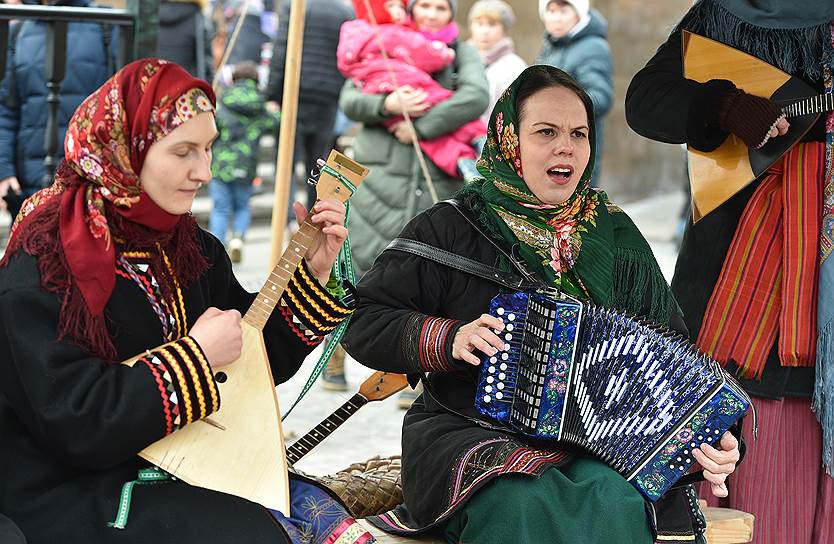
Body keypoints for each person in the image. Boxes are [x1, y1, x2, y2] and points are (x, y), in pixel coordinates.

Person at [343, 65, 741, 543]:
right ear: (509, 138)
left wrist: (711, 439)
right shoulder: (451, 226)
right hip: (466, 432)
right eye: (545, 132)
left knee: (617, 498)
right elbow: (364, 321)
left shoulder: (614, 235)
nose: (565, 147)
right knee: (518, 502)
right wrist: (451, 337)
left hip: (595, 450)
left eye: (579, 133)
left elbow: (675, 368)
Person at [0, 58, 372, 544]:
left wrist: (314, 270)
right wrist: (194, 359)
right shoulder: (47, 260)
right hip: (75, 486)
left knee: (332, 528)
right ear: (125, 151)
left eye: (209, 147)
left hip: (189, 462)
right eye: (183, 151)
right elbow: (72, 417)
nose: (204, 170)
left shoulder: (188, 246)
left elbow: (255, 360)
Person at [625, 1, 834, 542]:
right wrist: (722, 105)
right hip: (740, 285)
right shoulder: (726, 13)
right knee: (749, 472)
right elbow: (645, 102)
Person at [337, 0, 486, 180]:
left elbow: (476, 97)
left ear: (451, 14)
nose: (431, 15)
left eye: (441, 8)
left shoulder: (461, 51)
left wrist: (419, 129)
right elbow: (348, 100)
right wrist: (386, 104)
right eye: (424, 6)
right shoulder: (382, 38)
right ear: (411, 8)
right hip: (380, 176)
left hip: (437, 182)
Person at [0, 0, 115, 226]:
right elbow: (6, 109)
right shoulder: (19, 30)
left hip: (91, 184)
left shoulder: (106, 24)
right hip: (30, 186)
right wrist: (4, 171)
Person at [266, 0, 353, 212]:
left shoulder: (295, 6)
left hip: (296, 93)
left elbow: (281, 51)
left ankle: (287, 217)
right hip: (328, 96)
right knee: (318, 165)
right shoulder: (345, 11)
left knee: (286, 163)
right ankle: (313, 220)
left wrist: (272, 94)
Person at [209, 60, 280, 263]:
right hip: (246, 168)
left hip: (221, 167)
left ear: (233, 80)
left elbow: (211, 130)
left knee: (221, 208)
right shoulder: (260, 108)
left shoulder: (223, 104)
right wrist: (274, 109)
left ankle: (217, 247)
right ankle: (238, 238)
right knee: (242, 206)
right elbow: (277, 122)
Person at [536, 0, 612, 186]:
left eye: (564, 11)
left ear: (578, 13)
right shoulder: (551, 45)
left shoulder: (593, 46)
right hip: (549, 144)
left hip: (576, 147)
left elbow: (601, 98)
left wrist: (557, 105)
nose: (556, 18)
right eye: (551, 11)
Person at [467, 0, 526, 126]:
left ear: (504, 29)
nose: (485, 31)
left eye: (492, 24)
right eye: (479, 24)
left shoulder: (514, 67)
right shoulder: (459, 59)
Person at [157, 0, 215, 82]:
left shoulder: (150, 15)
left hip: (154, 87)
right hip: (185, 90)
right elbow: (205, 67)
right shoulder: (197, 18)